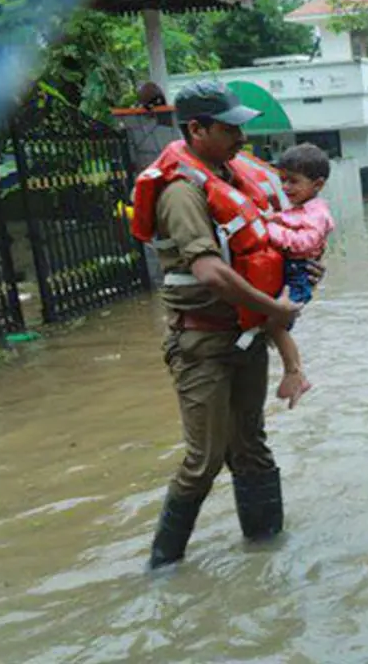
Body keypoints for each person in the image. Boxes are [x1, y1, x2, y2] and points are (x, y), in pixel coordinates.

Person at [131, 81, 301, 570]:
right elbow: (209, 271)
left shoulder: (230, 175)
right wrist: (274, 312)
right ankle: (163, 568)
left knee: (251, 446)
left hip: (246, 335)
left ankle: (267, 554)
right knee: (203, 461)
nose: (240, 139)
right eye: (229, 129)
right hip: (202, 341)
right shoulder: (181, 192)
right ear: (197, 129)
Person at [263, 143, 335, 408]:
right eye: (283, 180)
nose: (286, 188)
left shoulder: (318, 213)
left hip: (298, 275)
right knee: (272, 325)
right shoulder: (300, 208)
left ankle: (295, 373)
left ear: (317, 185)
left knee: (276, 324)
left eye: (293, 182)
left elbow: (303, 242)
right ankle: (293, 372)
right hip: (292, 273)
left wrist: (270, 231)